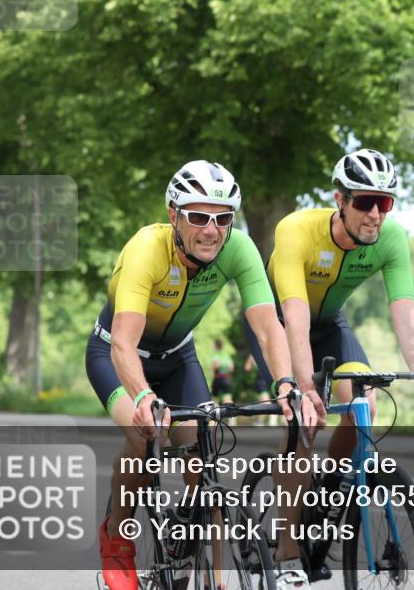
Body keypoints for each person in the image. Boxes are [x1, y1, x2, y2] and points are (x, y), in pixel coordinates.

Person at [85, 160, 316, 590]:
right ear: (174, 215)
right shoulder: (146, 249)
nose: (211, 230)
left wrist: (286, 383)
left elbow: (268, 325)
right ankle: (117, 537)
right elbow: (122, 342)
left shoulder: (238, 249)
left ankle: (213, 576)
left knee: (204, 458)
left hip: (177, 358)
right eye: (198, 216)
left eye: (223, 218)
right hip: (116, 354)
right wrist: (142, 398)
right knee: (142, 434)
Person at [242, 148, 414, 589]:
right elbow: (295, 318)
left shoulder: (391, 240)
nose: (376, 214)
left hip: (332, 326)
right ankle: (286, 548)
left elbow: (406, 314)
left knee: (365, 404)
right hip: (282, 323)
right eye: (364, 202)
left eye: (386, 203)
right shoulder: (297, 230)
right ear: (339, 199)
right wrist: (304, 385)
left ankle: (328, 491)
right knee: (302, 420)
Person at [210, 338, 235, 405]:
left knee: (215, 398)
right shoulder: (226, 355)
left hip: (218, 378)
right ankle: (232, 414)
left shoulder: (216, 354)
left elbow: (216, 365)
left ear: (216, 345)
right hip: (227, 379)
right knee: (227, 398)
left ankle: (215, 414)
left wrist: (211, 369)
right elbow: (231, 368)